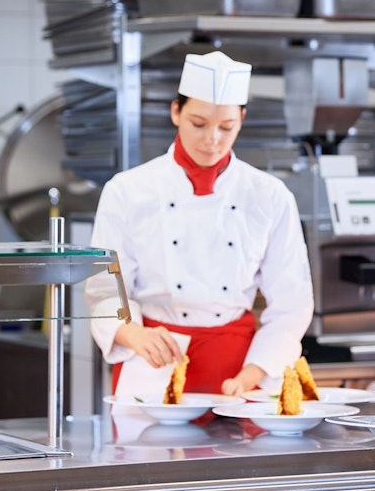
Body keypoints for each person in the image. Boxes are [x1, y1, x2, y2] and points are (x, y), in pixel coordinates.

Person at [85, 50, 314, 400]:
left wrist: (252, 374)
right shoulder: (127, 191)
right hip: (153, 361)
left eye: (226, 127)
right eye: (198, 123)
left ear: (242, 118)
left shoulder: (269, 196)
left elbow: (292, 303)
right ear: (175, 112)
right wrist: (133, 334)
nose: (212, 139)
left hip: (238, 369)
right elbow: (105, 289)